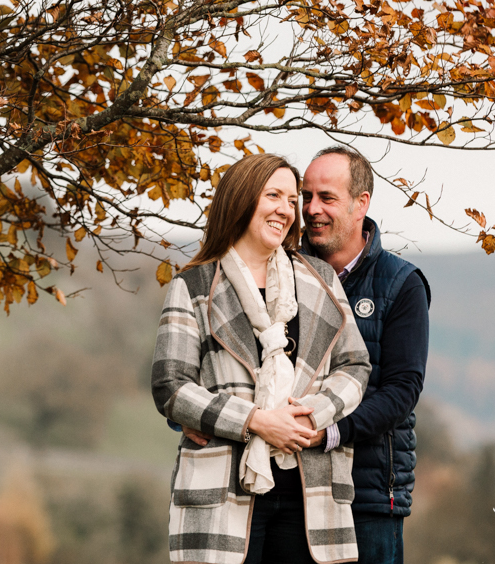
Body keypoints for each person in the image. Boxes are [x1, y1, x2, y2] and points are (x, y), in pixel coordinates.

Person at [151, 153, 371, 564]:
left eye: (292, 200)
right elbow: (171, 385)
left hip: (312, 492)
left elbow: (355, 366)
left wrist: (309, 415)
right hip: (222, 495)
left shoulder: (318, 279)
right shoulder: (194, 285)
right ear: (242, 199)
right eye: (274, 196)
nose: (287, 210)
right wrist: (254, 421)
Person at [298, 146, 431, 564]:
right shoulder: (281, 270)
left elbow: (402, 390)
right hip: (291, 490)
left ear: (361, 204)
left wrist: (329, 432)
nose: (311, 209)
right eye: (306, 196)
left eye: (327, 197)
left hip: (367, 497)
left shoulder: (401, 284)